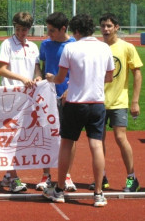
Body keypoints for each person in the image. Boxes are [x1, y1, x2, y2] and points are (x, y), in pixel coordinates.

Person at [44, 14, 114, 207]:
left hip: (75, 102)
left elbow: (60, 78)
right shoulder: (104, 47)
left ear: (75, 31)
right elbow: (109, 77)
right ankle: (98, 193)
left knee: (66, 143)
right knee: (96, 145)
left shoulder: (71, 47)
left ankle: (59, 190)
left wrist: (50, 77)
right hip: (98, 102)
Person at [90, 13, 142, 192]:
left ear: (117, 27)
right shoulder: (96, 48)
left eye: (109, 26)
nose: (105, 29)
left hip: (119, 101)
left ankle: (131, 177)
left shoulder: (127, 47)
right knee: (98, 140)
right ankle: (101, 176)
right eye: (103, 26)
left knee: (120, 138)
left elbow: (137, 73)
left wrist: (134, 101)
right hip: (98, 100)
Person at [0, 12, 42, 193]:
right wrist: (22, 79)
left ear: (29, 29)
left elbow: (37, 70)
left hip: (28, 99)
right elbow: (1, 69)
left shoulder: (33, 47)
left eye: (24, 29)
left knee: (24, 137)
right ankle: (14, 177)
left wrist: (37, 78)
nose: (21, 33)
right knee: (12, 138)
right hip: (11, 97)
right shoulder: (7, 45)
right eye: (17, 29)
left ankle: (8, 175)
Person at [37, 12, 77, 192]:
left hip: (68, 97)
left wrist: (70, 90)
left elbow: (78, 72)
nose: (49, 33)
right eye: (48, 30)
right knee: (46, 135)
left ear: (63, 29)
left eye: (52, 30)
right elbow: (40, 65)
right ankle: (46, 175)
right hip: (47, 96)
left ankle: (67, 175)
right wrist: (38, 76)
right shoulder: (45, 44)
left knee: (68, 138)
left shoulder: (75, 45)